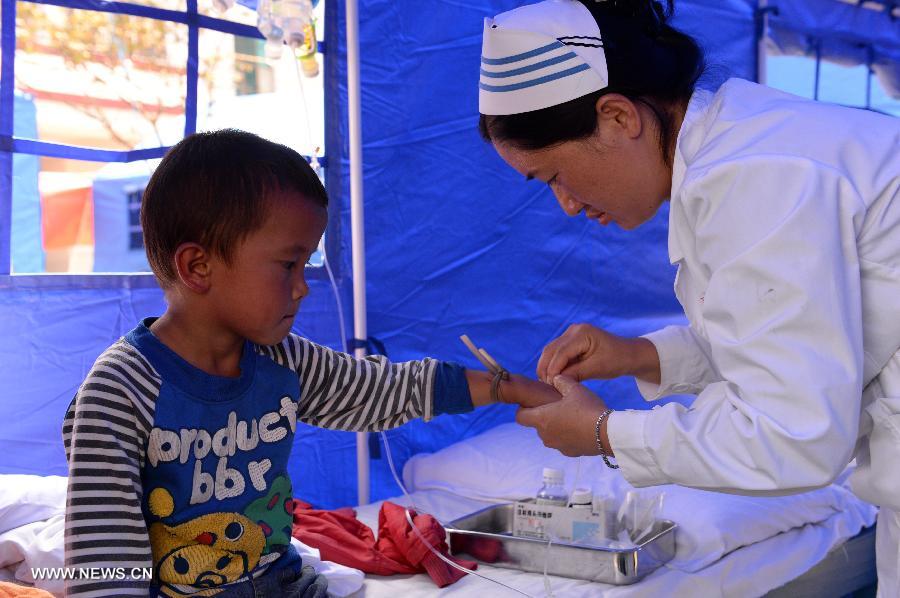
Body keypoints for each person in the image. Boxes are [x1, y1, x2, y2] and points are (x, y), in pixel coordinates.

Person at [477, 0, 900, 592]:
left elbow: (791, 434)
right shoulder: (744, 135)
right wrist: (639, 356)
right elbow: (795, 338)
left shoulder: (751, 176)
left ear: (619, 116)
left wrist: (607, 435)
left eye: (553, 177)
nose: (566, 204)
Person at [62, 129, 559, 597]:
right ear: (198, 267)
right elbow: (103, 562)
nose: (303, 287)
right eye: (288, 264)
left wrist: (504, 387)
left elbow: (381, 392)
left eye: (307, 266)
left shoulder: (280, 358)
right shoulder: (120, 389)